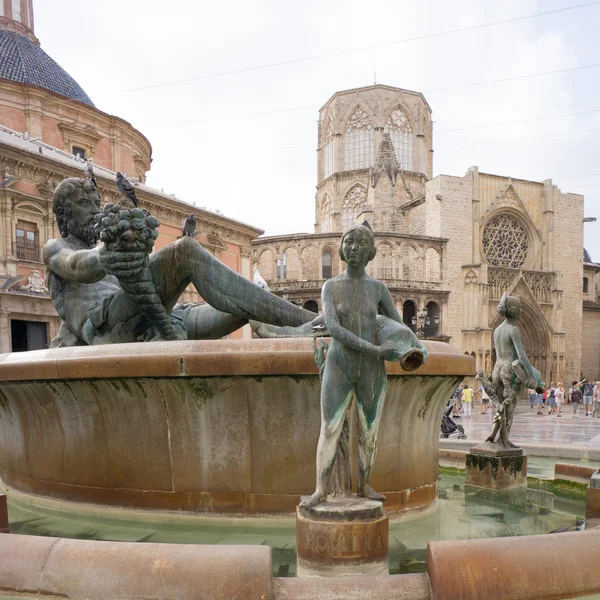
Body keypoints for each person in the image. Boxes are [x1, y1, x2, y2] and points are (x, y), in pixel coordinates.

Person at [44, 178, 315, 346]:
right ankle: (314, 321)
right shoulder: (56, 248)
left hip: (154, 319)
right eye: (84, 203)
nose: (95, 210)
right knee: (183, 250)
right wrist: (106, 257)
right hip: (107, 329)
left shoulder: (109, 249)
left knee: (245, 303)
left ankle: (297, 331)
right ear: (65, 213)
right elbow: (76, 266)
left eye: (95, 202)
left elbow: (142, 283)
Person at [300, 224, 426, 508]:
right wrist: (375, 349)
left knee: (370, 431)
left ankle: (365, 483)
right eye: (349, 242)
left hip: (371, 370)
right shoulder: (330, 287)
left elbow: (397, 325)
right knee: (329, 428)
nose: (354, 247)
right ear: (342, 250)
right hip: (340, 364)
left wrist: (417, 345)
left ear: (371, 252)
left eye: (361, 243)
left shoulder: (378, 289)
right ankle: (321, 489)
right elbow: (334, 328)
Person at [485, 294, 543, 448]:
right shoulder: (513, 330)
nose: (521, 311)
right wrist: (532, 376)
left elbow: (499, 353)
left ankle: (493, 433)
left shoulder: (497, 330)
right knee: (509, 408)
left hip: (497, 369)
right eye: (519, 308)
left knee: (501, 404)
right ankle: (504, 440)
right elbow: (521, 355)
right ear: (513, 310)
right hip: (509, 370)